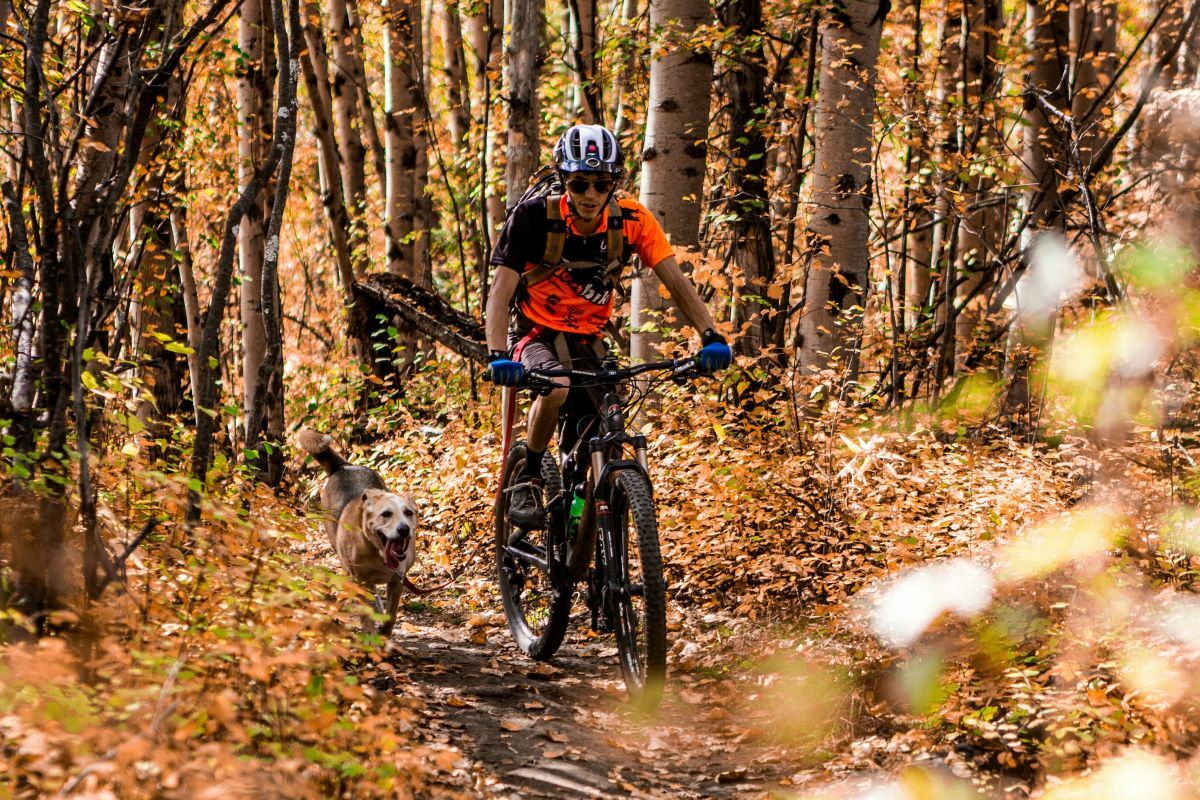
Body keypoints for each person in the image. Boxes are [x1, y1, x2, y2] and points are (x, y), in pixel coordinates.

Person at [485, 123, 732, 529]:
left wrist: (710, 336)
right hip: (534, 332)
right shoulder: (533, 218)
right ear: (565, 180)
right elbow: (500, 292)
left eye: (601, 184)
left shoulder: (632, 220)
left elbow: (676, 281)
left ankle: (582, 503)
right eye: (580, 184)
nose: (590, 196)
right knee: (558, 386)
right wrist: (497, 354)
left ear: (613, 183)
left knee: (609, 415)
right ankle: (529, 475)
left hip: (589, 338)